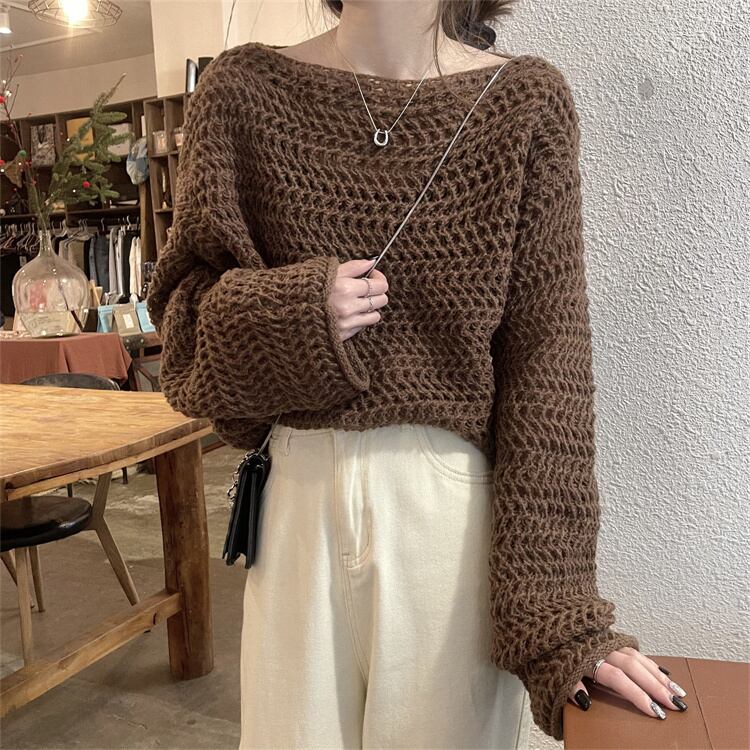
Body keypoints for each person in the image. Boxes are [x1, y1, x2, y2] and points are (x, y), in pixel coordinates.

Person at [146, 2, 688, 746]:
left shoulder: (523, 103)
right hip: (296, 509)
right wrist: (296, 315)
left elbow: (548, 368)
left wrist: (560, 617)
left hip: (449, 526)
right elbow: (182, 334)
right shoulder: (241, 91)